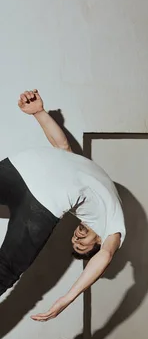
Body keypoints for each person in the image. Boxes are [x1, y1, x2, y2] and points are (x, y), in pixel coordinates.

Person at [0, 89, 125, 322]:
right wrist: (67, 299)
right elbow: (106, 256)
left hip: (22, 169)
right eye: (82, 245)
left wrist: (39, 113)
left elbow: (63, 149)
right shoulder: (113, 227)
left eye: (75, 243)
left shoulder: (91, 196)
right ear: (98, 241)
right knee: (6, 269)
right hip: (33, 184)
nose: (77, 239)